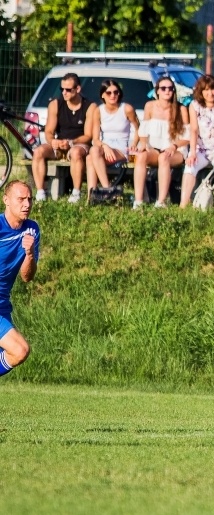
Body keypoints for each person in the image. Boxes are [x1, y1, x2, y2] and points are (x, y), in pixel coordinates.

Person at [31, 73, 96, 203]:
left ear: (77, 89)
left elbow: (88, 136)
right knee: (38, 151)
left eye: (68, 90)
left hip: (78, 143)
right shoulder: (55, 104)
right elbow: (49, 131)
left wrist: (72, 142)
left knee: (76, 152)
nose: (64, 93)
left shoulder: (89, 106)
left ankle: (76, 193)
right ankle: (40, 193)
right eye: (62, 89)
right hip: (60, 143)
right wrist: (53, 141)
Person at [0, 181, 40, 378]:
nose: (27, 204)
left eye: (30, 199)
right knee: (19, 349)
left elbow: (27, 277)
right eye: (21, 199)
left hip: (2, 304)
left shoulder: (32, 230)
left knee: (17, 352)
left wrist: (30, 254)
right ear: (6, 200)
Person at [132, 76, 189, 209]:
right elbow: (143, 131)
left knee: (164, 158)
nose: (167, 91)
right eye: (163, 88)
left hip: (176, 149)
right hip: (155, 147)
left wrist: (174, 146)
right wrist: (144, 143)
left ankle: (161, 201)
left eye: (170, 88)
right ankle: (139, 200)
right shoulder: (150, 106)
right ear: (157, 91)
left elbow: (188, 137)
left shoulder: (181, 109)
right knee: (141, 156)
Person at [180, 75, 214, 209]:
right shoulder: (194, 105)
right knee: (190, 166)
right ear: (201, 91)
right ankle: (183, 203)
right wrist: (192, 153)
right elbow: (194, 130)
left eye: (213, 89)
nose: (210, 93)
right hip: (201, 148)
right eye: (206, 90)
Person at [87, 79, 140, 192]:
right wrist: (105, 146)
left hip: (121, 147)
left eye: (116, 92)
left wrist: (134, 144)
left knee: (93, 153)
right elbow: (95, 139)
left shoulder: (126, 109)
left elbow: (139, 129)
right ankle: (92, 196)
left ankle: (106, 190)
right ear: (103, 95)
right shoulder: (98, 111)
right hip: (104, 147)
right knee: (90, 157)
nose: (113, 95)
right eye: (109, 93)